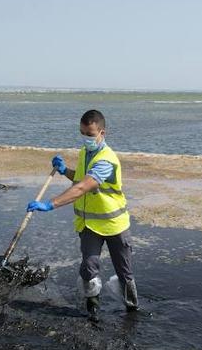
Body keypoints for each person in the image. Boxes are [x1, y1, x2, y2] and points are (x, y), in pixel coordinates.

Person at [27, 109, 138, 316]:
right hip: (89, 225)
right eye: (82, 133)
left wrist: (50, 204)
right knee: (88, 269)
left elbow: (83, 187)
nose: (86, 138)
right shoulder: (84, 153)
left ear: (102, 133)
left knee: (124, 272)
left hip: (114, 224)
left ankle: (132, 308)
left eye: (90, 134)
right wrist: (65, 171)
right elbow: (79, 180)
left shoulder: (107, 160)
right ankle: (92, 308)